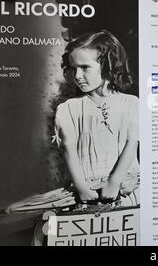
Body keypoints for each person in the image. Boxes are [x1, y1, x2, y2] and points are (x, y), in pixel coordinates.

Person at [53, 30, 139, 206]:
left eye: (85, 68)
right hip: (86, 193)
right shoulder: (69, 109)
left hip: (126, 190)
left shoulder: (131, 104)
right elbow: (70, 150)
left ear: (108, 65)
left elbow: (132, 144)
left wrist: (114, 182)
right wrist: (82, 187)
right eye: (73, 68)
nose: (77, 76)